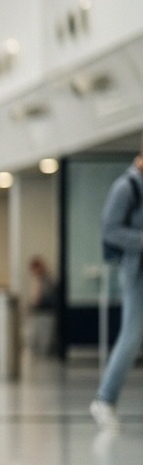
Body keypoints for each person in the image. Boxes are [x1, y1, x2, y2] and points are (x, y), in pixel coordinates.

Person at [93, 151, 143, 431]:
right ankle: (105, 399)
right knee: (132, 336)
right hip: (136, 272)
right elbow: (109, 229)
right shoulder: (127, 187)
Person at [27, 256, 58, 356]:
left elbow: (45, 296)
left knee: (45, 337)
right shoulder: (36, 279)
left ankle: (44, 355)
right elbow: (33, 297)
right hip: (37, 312)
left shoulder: (47, 280)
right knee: (36, 336)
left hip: (46, 312)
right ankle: (39, 354)